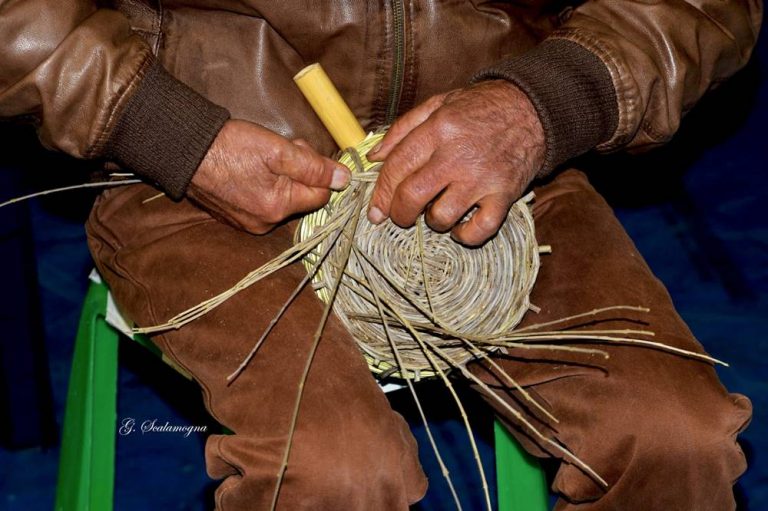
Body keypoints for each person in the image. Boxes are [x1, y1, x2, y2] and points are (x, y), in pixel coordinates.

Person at [1, 1, 761, 509]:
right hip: (207, 158)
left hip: (497, 144)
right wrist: (163, 128)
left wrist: (542, 105)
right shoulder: (185, 142)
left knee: (673, 437)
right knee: (333, 469)